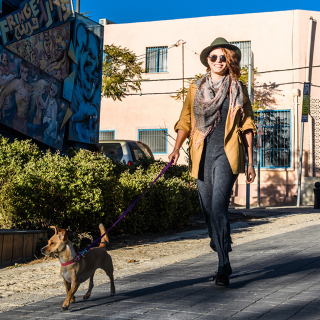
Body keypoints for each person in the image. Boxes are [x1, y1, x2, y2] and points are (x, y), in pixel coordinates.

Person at [168, 38, 256, 286]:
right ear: (208, 60)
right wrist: (176, 149)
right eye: (213, 57)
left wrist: (250, 162)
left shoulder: (237, 88)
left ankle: (222, 265)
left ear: (229, 60)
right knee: (208, 211)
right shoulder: (195, 88)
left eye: (222, 57)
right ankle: (219, 243)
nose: (218, 61)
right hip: (201, 154)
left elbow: (247, 124)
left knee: (218, 208)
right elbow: (185, 120)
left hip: (227, 154)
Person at [0, 60, 32, 134]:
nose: (26, 74)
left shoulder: (29, 87)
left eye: (27, 72)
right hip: (17, 120)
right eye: (24, 72)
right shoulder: (16, 83)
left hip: (25, 122)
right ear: (21, 72)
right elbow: (3, 94)